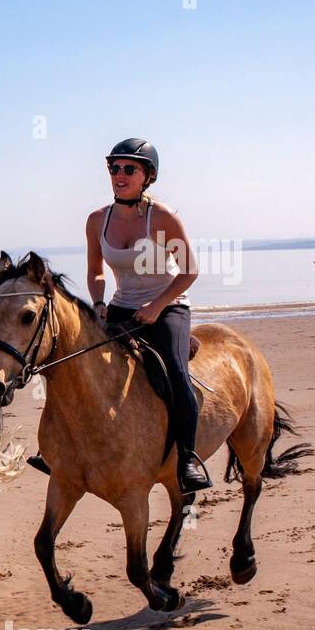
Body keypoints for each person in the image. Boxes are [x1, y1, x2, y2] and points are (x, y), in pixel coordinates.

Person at [80, 137, 210, 494]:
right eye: (114, 168)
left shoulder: (163, 217)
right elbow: (96, 270)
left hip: (168, 303)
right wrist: (98, 302)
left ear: (147, 176)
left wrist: (156, 307)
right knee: (80, 362)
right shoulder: (96, 220)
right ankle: (64, 450)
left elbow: (189, 270)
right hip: (121, 304)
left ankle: (187, 458)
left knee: (175, 369)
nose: (119, 175)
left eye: (128, 169)